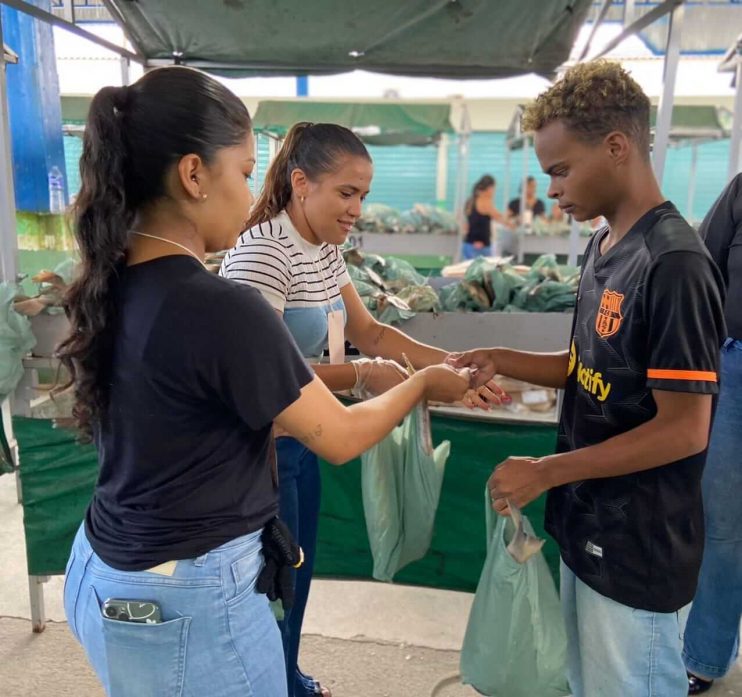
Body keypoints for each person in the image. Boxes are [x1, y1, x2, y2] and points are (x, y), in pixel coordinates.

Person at [58, 68, 473, 697]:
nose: (254, 192)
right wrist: (418, 386)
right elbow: (338, 435)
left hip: (104, 567)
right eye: (246, 171)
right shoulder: (220, 303)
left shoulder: (112, 282)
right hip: (186, 594)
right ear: (194, 175)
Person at [451, 60, 726, 697]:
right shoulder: (603, 246)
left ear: (617, 147)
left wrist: (546, 472)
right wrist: (505, 360)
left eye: (561, 171)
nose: (552, 190)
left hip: (641, 546)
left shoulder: (676, 263)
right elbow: (589, 369)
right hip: (587, 523)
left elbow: (684, 429)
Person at [221, 121, 505, 697]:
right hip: (264, 452)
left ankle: (288, 675)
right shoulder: (263, 254)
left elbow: (372, 333)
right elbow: (258, 380)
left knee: (295, 569)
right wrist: (362, 376)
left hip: (308, 438)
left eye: (364, 196)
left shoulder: (324, 249)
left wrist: (450, 366)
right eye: (346, 193)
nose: (357, 210)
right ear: (301, 183)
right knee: (268, 584)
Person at [682, 173, 742, 695]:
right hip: (737, 366)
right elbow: (703, 269)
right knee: (723, 522)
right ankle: (705, 653)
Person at [461, 175, 509, 259]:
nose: (494, 192)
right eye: (494, 189)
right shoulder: (485, 201)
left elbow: (468, 224)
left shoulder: (471, 200)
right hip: (479, 247)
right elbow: (498, 217)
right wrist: (512, 222)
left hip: (469, 244)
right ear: (489, 188)